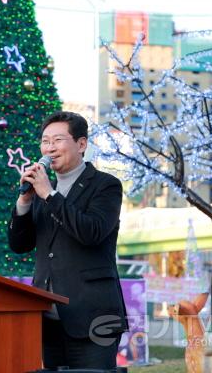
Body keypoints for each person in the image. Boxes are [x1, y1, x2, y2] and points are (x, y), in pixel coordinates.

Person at [7, 111, 128, 371]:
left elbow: (91, 232)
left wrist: (49, 195)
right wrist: (24, 202)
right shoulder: (40, 191)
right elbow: (20, 245)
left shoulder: (105, 186)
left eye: (58, 140)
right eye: (45, 141)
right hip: (48, 319)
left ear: (81, 144)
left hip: (94, 318)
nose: (50, 148)